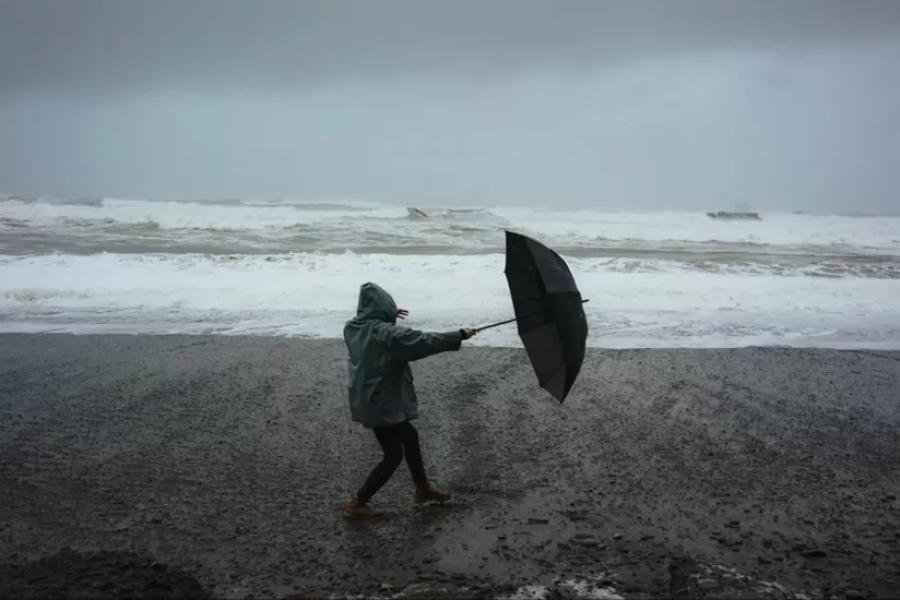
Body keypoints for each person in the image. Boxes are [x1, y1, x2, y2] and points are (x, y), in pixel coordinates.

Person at [342, 282, 476, 519]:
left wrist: (388, 315)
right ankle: (358, 502)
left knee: (410, 436)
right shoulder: (385, 333)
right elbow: (421, 341)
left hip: (368, 398)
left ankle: (422, 489)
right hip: (382, 401)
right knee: (393, 455)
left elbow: (376, 329)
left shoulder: (353, 328)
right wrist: (459, 335)